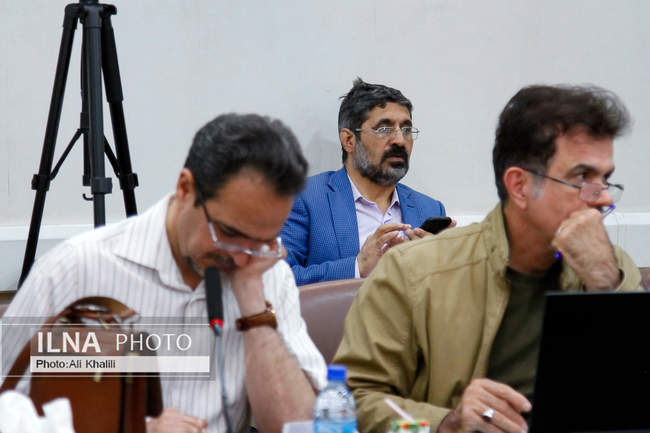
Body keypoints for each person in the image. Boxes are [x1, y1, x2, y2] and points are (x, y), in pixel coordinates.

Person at [333, 85, 644, 433]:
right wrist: (443, 425)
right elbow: (356, 403)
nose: (604, 199)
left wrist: (606, 286)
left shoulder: (613, 270)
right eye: (583, 178)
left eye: (606, 180)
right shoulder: (414, 272)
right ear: (520, 186)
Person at [3, 114, 327, 433]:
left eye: (263, 241)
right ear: (185, 189)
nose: (243, 257)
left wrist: (254, 305)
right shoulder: (77, 268)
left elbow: (298, 425)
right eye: (229, 233)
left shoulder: (266, 272)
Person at [281, 78, 451, 286]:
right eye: (384, 129)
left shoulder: (429, 208)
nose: (400, 140)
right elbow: (277, 281)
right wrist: (358, 266)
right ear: (349, 140)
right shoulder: (305, 198)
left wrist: (443, 265)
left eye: (406, 129)